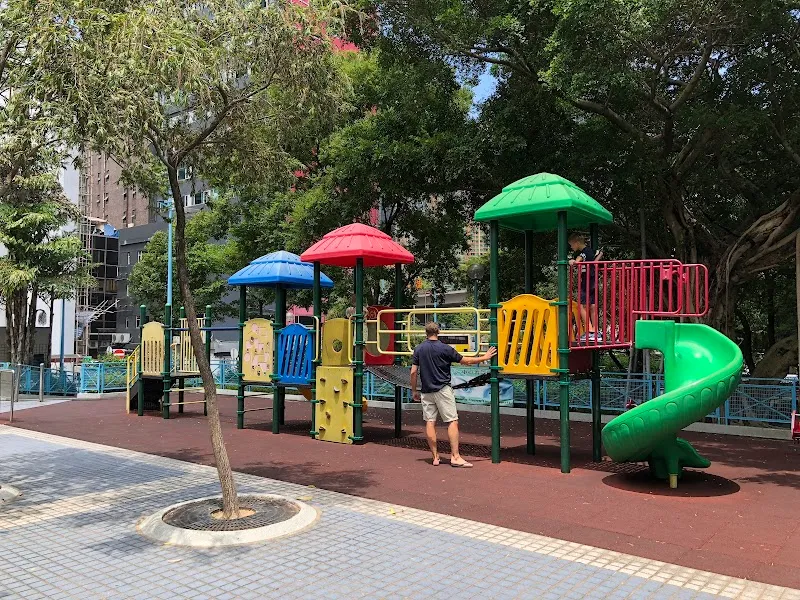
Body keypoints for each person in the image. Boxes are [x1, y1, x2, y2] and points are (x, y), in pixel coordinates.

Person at [410, 322, 497, 468]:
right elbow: (466, 361)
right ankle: (455, 457)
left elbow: (413, 372)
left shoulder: (419, 349)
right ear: (438, 332)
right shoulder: (445, 348)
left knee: (430, 422)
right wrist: (485, 357)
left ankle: (435, 457)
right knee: (452, 421)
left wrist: (413, 390)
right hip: (443, 389)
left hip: (426, 391)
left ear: (426, 333)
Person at [568, 232, 603, 340]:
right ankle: (595, 331)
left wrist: (572, 261)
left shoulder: (584, 252)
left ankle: (589, 330)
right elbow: (598, 255)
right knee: (592, 306)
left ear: (577, 243)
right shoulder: (591, 251)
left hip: (586, 281)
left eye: (571, 245)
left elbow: (577, 261)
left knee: (582, 306)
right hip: (593, 280)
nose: (571, 247)